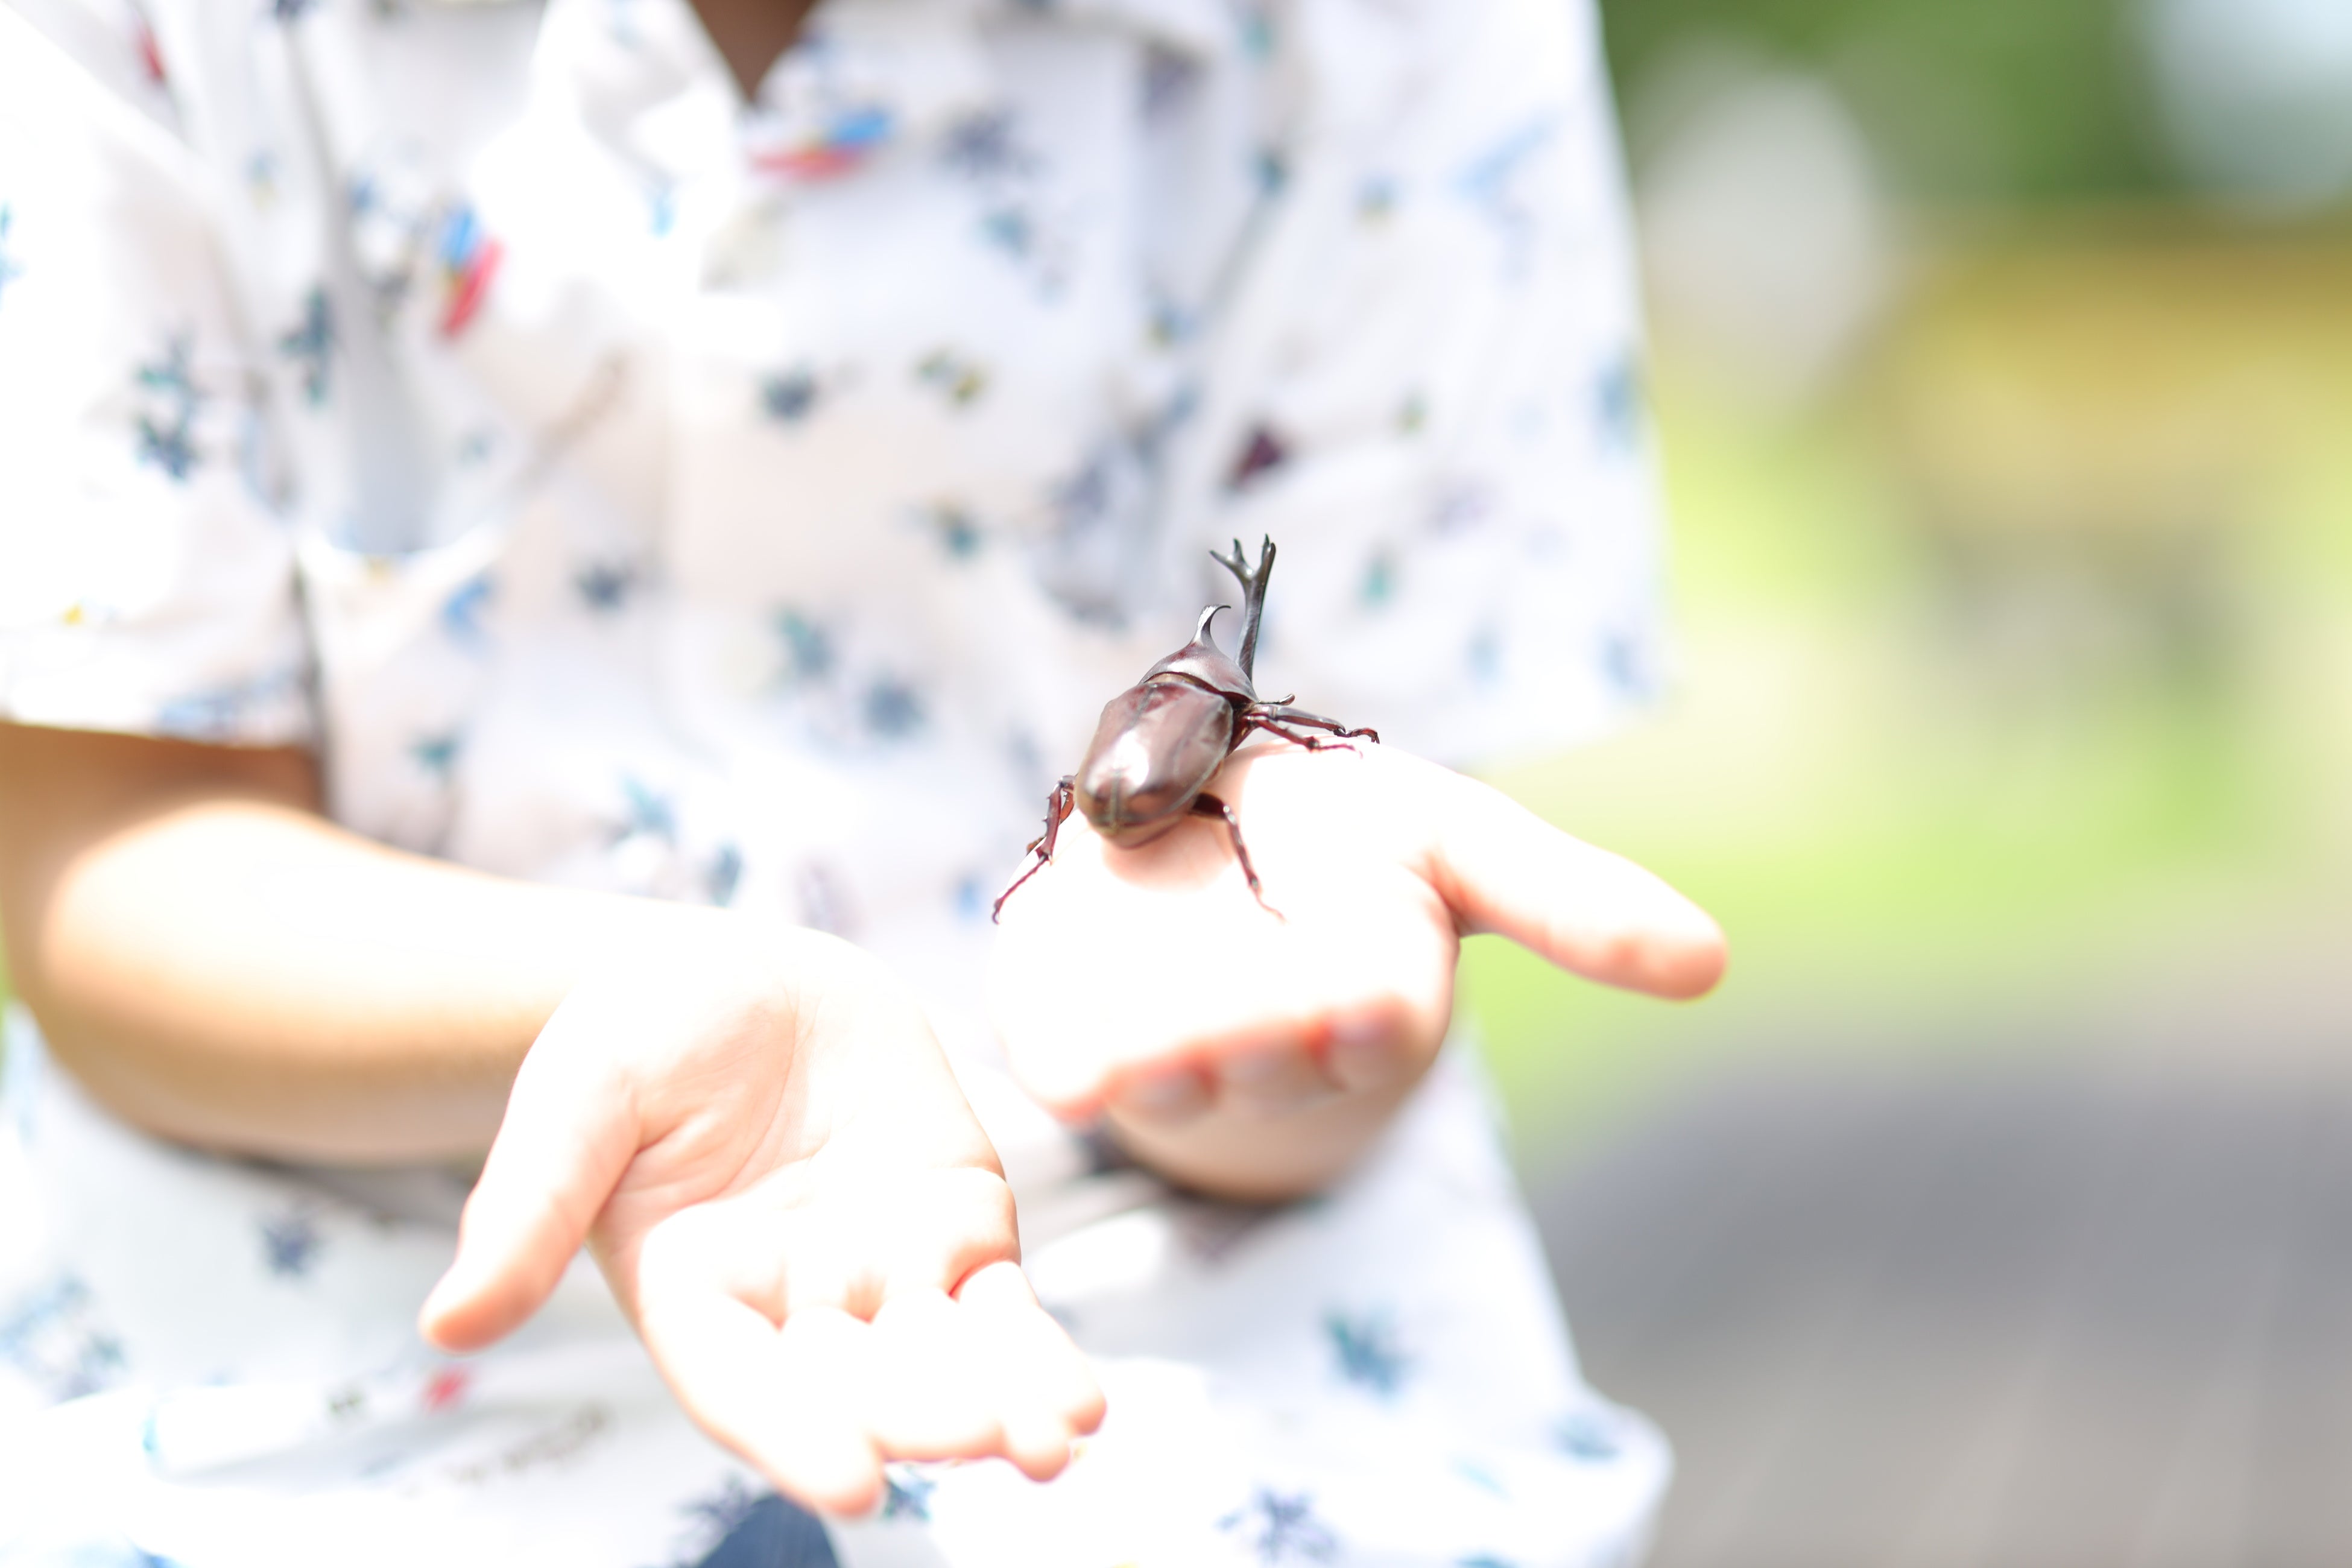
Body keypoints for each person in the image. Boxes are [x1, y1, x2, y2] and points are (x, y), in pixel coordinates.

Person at [0, 0, 1724, 1561]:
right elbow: (116, 851)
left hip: (1200, 1341)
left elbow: (1328, 899)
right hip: (273, 1348)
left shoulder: (1397, 42)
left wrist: (1254, 1047)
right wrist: (640, 994)